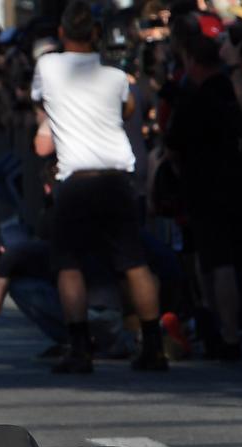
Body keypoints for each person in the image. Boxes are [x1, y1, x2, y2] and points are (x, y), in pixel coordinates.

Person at [31, 0, 167, 372]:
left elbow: (40, 105)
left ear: (62, 33)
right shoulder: (116, 77)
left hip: (77, 178)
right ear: (95, 34)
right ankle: (153, 343)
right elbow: (126, 111)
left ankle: (80, 347)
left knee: (69, 264)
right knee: (133, 262)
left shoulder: (48, 66)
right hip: (116, 176)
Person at [164, 13, 242, 361]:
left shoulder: (194, 99)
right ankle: (235, 329)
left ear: (193, 62)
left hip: (207, 190)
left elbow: (172, 145)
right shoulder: (233, 90)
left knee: (219, 264)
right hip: (240, 184)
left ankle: (227, 333)